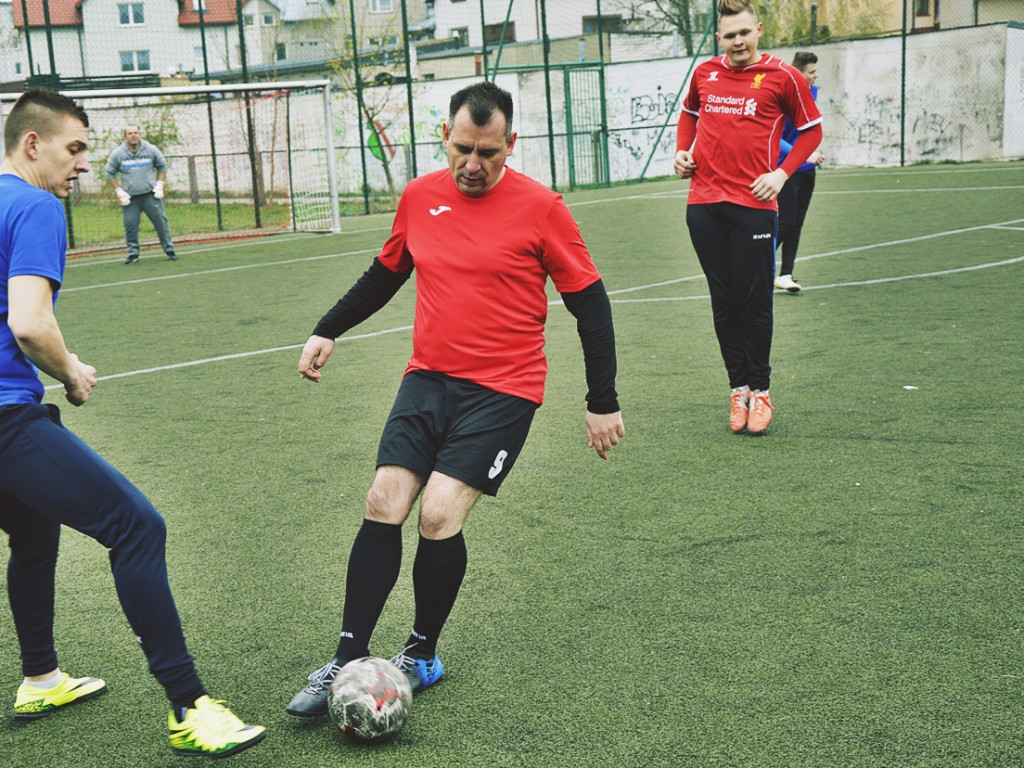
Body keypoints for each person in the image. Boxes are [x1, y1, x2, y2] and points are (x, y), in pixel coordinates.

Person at [285, 80, 625, 717]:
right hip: (429, 379)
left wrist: (600, 398)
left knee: (438, 515)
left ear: (510, 144)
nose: (473, 165)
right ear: (445, 135)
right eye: (462, 148)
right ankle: (348, 656)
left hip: (504, 389)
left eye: (488, 153)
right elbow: (387, 272)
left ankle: (420, 652)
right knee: (384, 499)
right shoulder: (419, 197)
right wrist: (328, 326)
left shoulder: (542, 207)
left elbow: (591, 304)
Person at [0, 89, 265, 758]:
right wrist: (71, 372)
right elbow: (29, 322)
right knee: (136, 525)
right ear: (33, 145)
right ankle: (189, 707)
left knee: (33, 535)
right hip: (5, 416)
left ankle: (40, 678)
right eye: (75, 148)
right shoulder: (33, 205)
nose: (84, 164)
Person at [673, 0, 822, 435]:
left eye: (744, 32)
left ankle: (762, 391)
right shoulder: (705, 73)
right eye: (729, 34)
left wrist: (781, 173)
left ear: (758, 30)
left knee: (755, 304)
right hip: (703, 205)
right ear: (719, 37)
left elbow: (812, 130)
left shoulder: (784, 76)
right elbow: (689, 114)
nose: (737, 41)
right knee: (724, 303)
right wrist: (683, 153)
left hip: (754, 206)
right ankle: (738, 389)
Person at [774, 51, 825, 293]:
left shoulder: (812, 93)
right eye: (811, 72)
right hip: (787, 170)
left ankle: (786, 274)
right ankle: (754, 265)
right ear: (799, 74)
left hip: (807, 169)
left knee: (797, 223)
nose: (816, 76)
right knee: (785, 222)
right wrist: (802, 153)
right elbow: (774, 138)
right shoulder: (783, 98)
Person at [105, 124, 177, 264]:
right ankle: (133, 254)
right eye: (130, 133)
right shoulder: (118, 154)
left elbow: (162, 166)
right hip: (130, 198)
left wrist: (160, 184)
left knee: (161, 223)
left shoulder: (150, 149)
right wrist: (119, 191)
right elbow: (110, 173)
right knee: (130, 225)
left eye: (136, 132)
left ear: (140, 135)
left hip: (150, 195)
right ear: (125, 137)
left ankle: (169, 250)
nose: (133, 135)